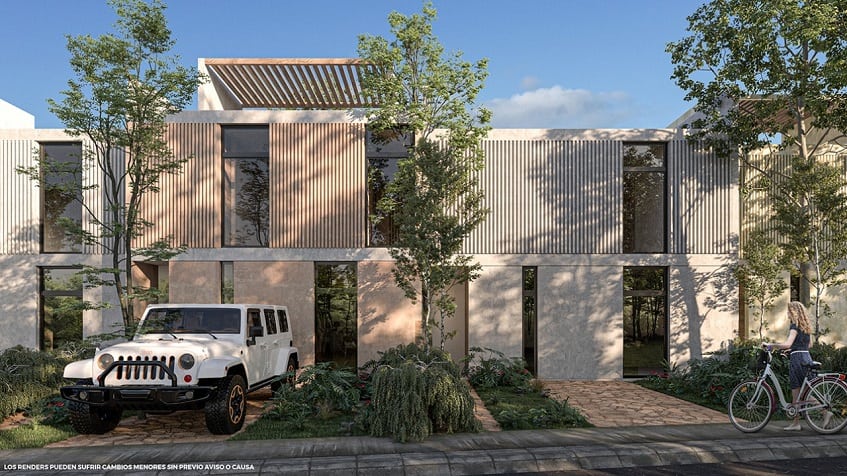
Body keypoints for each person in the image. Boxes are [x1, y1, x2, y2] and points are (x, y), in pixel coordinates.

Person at [763, 301, 814, 431]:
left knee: (797, 391)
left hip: (797, 360)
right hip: (806, 357)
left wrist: (771, 345)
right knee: (803, 391)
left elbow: (787, 344)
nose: (787, 313)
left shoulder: (794, 326)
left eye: (788, 311)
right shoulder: (806, 327)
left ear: (793, 312)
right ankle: (797, 422)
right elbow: (809, 345)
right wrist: (793, 349)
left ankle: (823, 413)